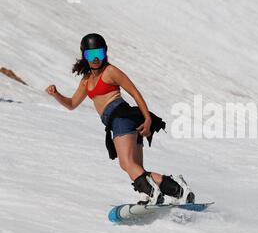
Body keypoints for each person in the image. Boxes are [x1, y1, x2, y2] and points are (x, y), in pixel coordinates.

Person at [45, 33, 194, 206]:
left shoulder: (110, 71)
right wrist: (56, 94)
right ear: (84, 55)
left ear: (105, 53)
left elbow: (134, 92)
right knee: (136, 167)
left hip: (121, 117)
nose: (95, 59)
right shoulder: (86, 81)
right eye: (90, 55)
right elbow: (71, 104)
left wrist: (147, 119)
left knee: (126, 163)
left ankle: (153, 193)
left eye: (99, 54)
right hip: (119, 120)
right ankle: (178, 189)